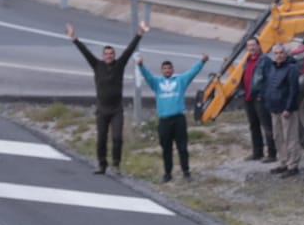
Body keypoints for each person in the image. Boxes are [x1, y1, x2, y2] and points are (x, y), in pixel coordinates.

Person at [67, 21, 146, 175]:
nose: (109, 56)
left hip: (116, 109)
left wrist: (139, 34)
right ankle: (101, 164)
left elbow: (129, 50)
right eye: (106, 54)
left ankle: (116, 164)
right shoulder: (97, 65)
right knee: (101, 139)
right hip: (102, 110)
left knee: (117, 138)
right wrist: (74, 38)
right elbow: (86, 52)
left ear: (114, 56)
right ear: (103, 56)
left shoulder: (119, 65)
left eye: (111, 54)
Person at [140, 52, 211, 182]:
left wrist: (202, 61)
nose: (167, 70)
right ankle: (167, 173)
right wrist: (141, 66)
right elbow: (147, 76)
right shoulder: (157, 83)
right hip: (164, 120)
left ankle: (186, 172)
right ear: (162, 71)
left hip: (179, 119)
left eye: (169, 68)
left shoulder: (180, 81)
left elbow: (192, 72)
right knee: (166, 149)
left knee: (182, 147)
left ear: (173, 70)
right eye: (165, 69)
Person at [260, 43, 303, 177]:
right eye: (276, 53)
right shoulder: (272, 68)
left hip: (286, 110)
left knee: (290, 137)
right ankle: (283, 162)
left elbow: (293, 90)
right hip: (274, 109)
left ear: (286, 54)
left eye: (281, 53)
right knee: (278, 137)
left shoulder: (291, 69)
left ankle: (293, 165)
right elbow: (269, 86)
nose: (279, 55)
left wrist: (288, 108)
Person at [240, 38, 274, 163]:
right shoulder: (247, 61)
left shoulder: (265, 61)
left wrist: (265, 95)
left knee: (267, 126)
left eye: (254, 45)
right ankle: (257, 152)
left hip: (260, 98)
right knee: (253, 126)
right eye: (249, 46)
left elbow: (270, 80)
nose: (252, 48)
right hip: (248, 98)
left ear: (259, 46)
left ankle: (272, 153)